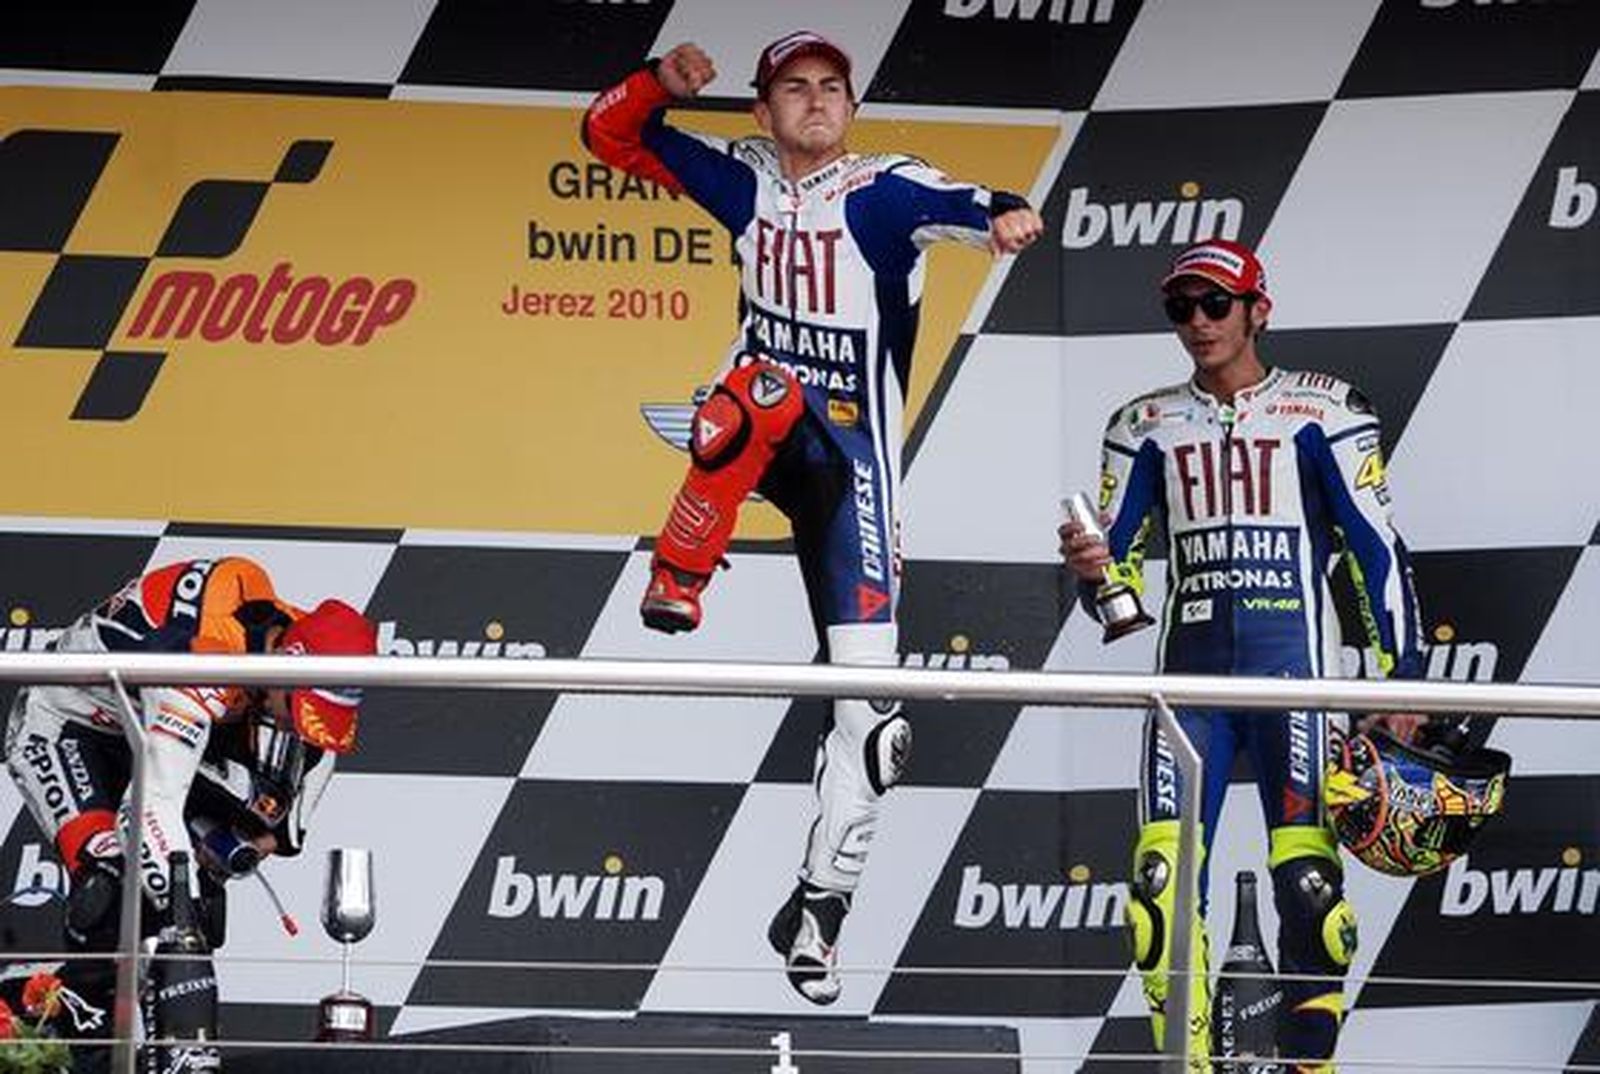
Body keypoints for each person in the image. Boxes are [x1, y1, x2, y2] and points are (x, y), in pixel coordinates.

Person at [583, 30, 1043, 1004]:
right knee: (753, 389)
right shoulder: (743, 181)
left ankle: (816, 911)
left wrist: (1000, 213)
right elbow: (609, 134)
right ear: (761, 112)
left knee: (874, 729)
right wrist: (658, 84)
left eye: (832, 87)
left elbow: (949, 203)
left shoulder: (879, 188)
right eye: (795, 88)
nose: (817, 102)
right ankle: (679, 573)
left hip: (854, 474)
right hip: (762, 433)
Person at [1059, 239, 1425, 1072]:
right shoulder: (1140, 424)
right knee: (1157, 890)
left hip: (1297, 678)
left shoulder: (1327, 411)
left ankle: (1309, 1066)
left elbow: (1376, 552)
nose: (1197, 322)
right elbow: (1111, 577)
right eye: (1180, 308)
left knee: (1310, 892)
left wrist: (1398, 681)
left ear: (1259, 309)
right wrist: (1091, 572)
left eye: (1215, 304)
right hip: (1185, 688)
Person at [3, 555, 378, 1071]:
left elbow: (286, 821)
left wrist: (232, 850)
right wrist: (185, 915)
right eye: (301, 712)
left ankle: (121, 1032)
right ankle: (33, 1019)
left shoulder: (294, 656)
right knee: (114, 883)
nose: (298, 730)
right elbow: (146, 815)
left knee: (199, 897)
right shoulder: (210, 654)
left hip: (153, 738)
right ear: (288, 660)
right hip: (69, 725)